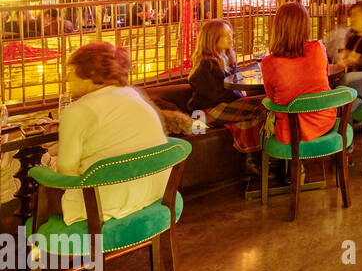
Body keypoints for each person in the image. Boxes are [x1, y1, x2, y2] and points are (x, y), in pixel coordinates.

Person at [45, 43, 169, 225]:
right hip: (154, 194)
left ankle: (35, 246)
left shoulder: (77, 111)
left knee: (41, 181)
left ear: (88, 74)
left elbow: (67, 173)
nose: (67, 78)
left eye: (71, 72)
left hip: (102, 207)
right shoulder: (134, 95)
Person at [261, 3, 335, 144]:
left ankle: (272, 162)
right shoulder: (318, 49)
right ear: (305, 26)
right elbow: (324, 78)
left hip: (291, 132)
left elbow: (272, 98)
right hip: (324, 121)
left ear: (277, 27)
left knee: (261, 110)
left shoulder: (268, 63)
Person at [187, 20, 265, 154]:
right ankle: (259, 159)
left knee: (262, 107)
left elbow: (236, 81)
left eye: (231, 34)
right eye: (225, 35)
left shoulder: (227, 58)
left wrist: (242, 92)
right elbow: (218, 94)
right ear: (212, 39)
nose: (231, 38)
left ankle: (253, 160)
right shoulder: (206, 64)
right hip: (205, 112)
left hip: (223, 105)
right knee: (262, 104)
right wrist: (241, 94)